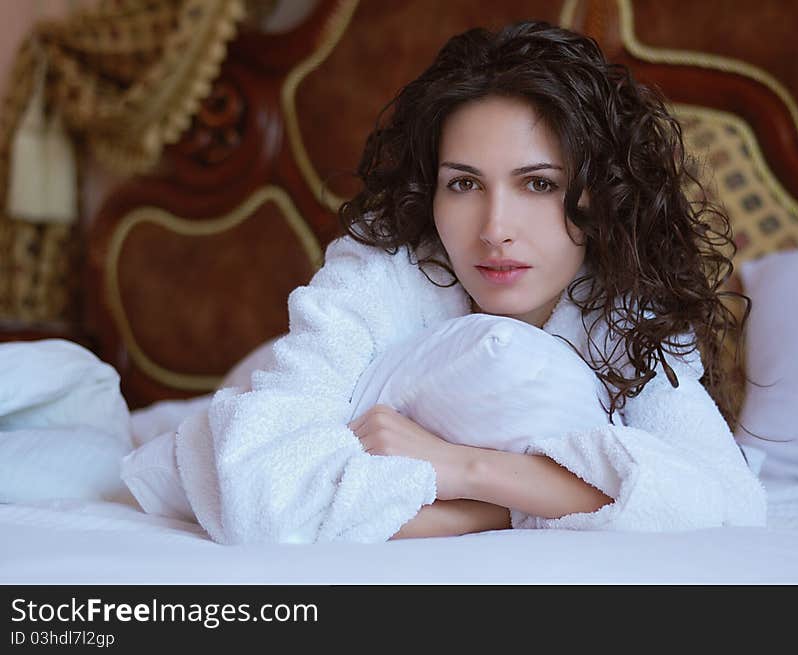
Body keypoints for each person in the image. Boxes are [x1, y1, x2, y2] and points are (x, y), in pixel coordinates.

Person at [175, 21, 767, 545]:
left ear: (596, 194)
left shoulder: (624, 305)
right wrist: (535, 499)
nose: (495, 230)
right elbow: (261, 499)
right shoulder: (380, 270)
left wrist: (465, 471)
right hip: (264, 375)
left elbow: (723, 500)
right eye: (463, 184)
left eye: (538, 184)